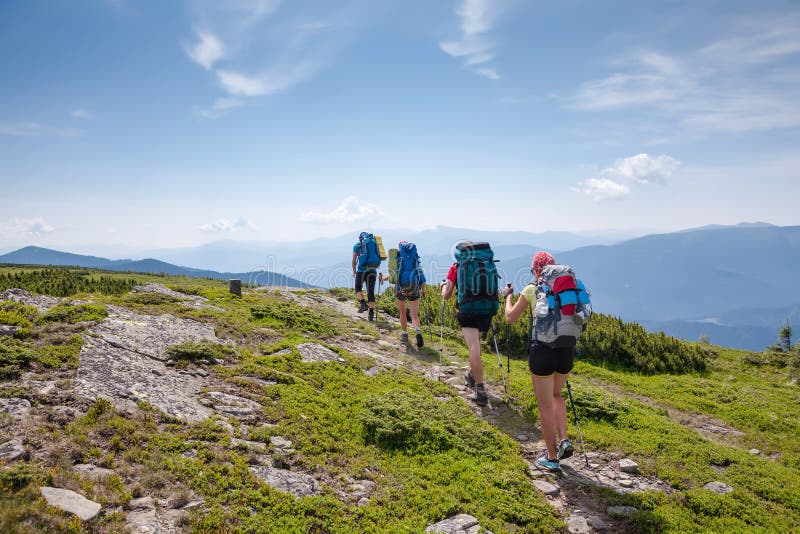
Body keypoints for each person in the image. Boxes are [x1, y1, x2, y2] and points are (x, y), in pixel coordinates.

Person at [502, 251, 574, 471]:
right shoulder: (566, 289)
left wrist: (507, 298)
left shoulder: (532, 289)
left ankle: (552, 458)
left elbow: (510, 318)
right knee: (556, 395)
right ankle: (564, 440)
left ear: (535, 270)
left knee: (544, 405)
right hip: (566, 350)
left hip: (542, 351)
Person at [440, 258, 494, 407]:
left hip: (467, 311)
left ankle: (480, 391)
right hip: (486, 310)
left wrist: (443, 286)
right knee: (476, 342)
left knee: (473, 347)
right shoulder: (485, 265)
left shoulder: (456, 268)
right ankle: (472, 373)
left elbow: (447, 295)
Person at [380, 271, 425, 347]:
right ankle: (417, 331)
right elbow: (423, 281)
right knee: (414, 315)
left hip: (400, 290)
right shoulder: (417, 265)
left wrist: (382, 278)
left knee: (402, 312)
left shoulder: (400, 266)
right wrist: (423, 291)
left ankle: (404, 333)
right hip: (415, 290)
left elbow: (392, 278)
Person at [352, 234, 379, 321]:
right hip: (372, 270)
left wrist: (354, 270)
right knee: (370, 291)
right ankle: (371, 313)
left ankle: (363, 304)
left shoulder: (357, 245)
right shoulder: (375, 244)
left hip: (361, 271)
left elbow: (354, 260)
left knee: (358, 288)